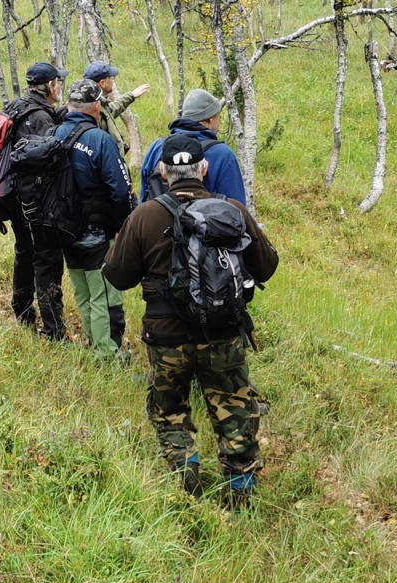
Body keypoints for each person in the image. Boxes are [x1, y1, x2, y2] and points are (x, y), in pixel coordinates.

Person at [103, 133, 279, 505]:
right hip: (224, 334)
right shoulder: (231, 209)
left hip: (166, 337)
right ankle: (240, 500)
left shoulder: (144, 216)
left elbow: (117, 277)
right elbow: (267, 266)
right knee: (234, 411)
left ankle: (188, 493)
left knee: (170, 412)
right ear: (204, 169)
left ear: (164, 173)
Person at [53, 79, 133, 355]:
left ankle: (92, 339)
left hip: (62, 229)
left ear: (68, 105)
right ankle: (106, 352)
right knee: (103, 294)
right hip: (97, 231)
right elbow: (120, 191)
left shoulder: (54, 134)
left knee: (82, 290)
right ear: (97, 107)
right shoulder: (101, 140)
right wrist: (122, 227)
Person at [5, 61, 68, 339]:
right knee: (46, 260)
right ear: (49, 86)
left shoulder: (16, 106)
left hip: (15, 196)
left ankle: (22, 313)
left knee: (24, 253)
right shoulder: (41, 118)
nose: (59, 87)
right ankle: (53, 329)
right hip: (36, 202)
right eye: (58, 82)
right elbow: (47, 159)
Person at [139, 88, 245, 204]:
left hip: (159, 220)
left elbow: (144, 197)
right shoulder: (223, 155)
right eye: (218, 116)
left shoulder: (157, 147)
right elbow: (236, 208)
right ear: (211, 118)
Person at [81, 60, 150, 166]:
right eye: (110, 77)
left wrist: (131, 95)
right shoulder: (93, 109)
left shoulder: (94, 103)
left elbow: (110, 111)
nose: (113, 80)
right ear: (103, 83)